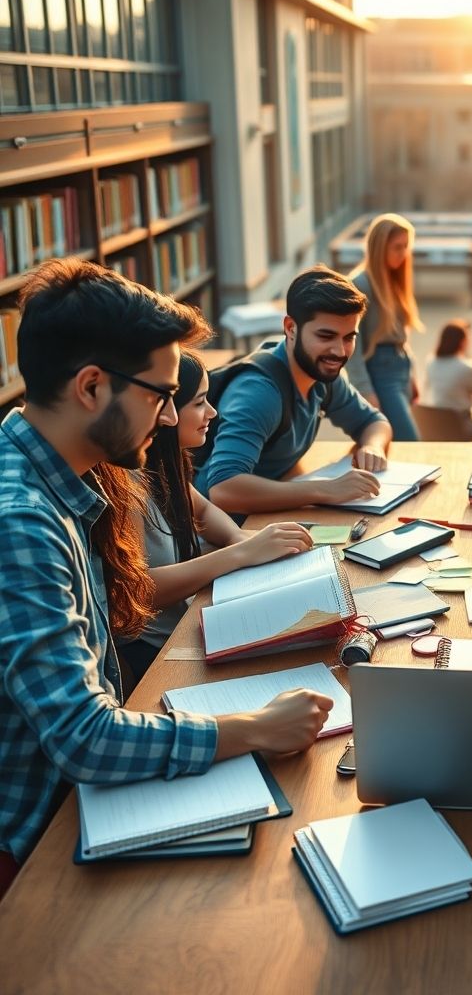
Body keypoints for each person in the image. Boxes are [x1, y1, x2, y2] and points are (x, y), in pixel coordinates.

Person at [0, 259, 332, 895]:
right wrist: (254, 728)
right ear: (92, 388)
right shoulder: (21, 523)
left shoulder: (70, 472)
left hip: (83, 809)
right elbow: (84, 739)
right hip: (36, 849)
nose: (168, 415)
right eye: (158, 394)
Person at [118, 351, 315, 688]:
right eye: (199, 403)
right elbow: (140, 589)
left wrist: (247, 542)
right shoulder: (127, 482)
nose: (212, 412)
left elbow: (205, 510)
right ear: (163, 411)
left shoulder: (166, 461)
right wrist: (240, 554)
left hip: (189, 624)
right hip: (158, 650)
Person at [196, 266, 391, 515]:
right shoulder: (259, 392)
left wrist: (372, 447)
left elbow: (373, 421)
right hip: (221, 532)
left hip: (272, 515)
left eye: (348, 337)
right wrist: (325, 490)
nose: (340, 352)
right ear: (290, 328)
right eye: (326, 336)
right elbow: (224, 489)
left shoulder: (323, 374)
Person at [345, 213, 424, 441]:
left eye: (407, 247)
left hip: (401, 368)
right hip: (380, 374)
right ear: (380, 247)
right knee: (410, 443)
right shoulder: (360, 285)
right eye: (397, 247)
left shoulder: (394, 278)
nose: (404, 254)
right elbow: (353, 347)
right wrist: (365, 390)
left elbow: (401, 335)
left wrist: (412, 375)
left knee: (397, 446)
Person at [424, 320, 472, 440]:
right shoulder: (467, 367)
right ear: (463, 342)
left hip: (435, 423)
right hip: (460, 424)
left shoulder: (431, 363)